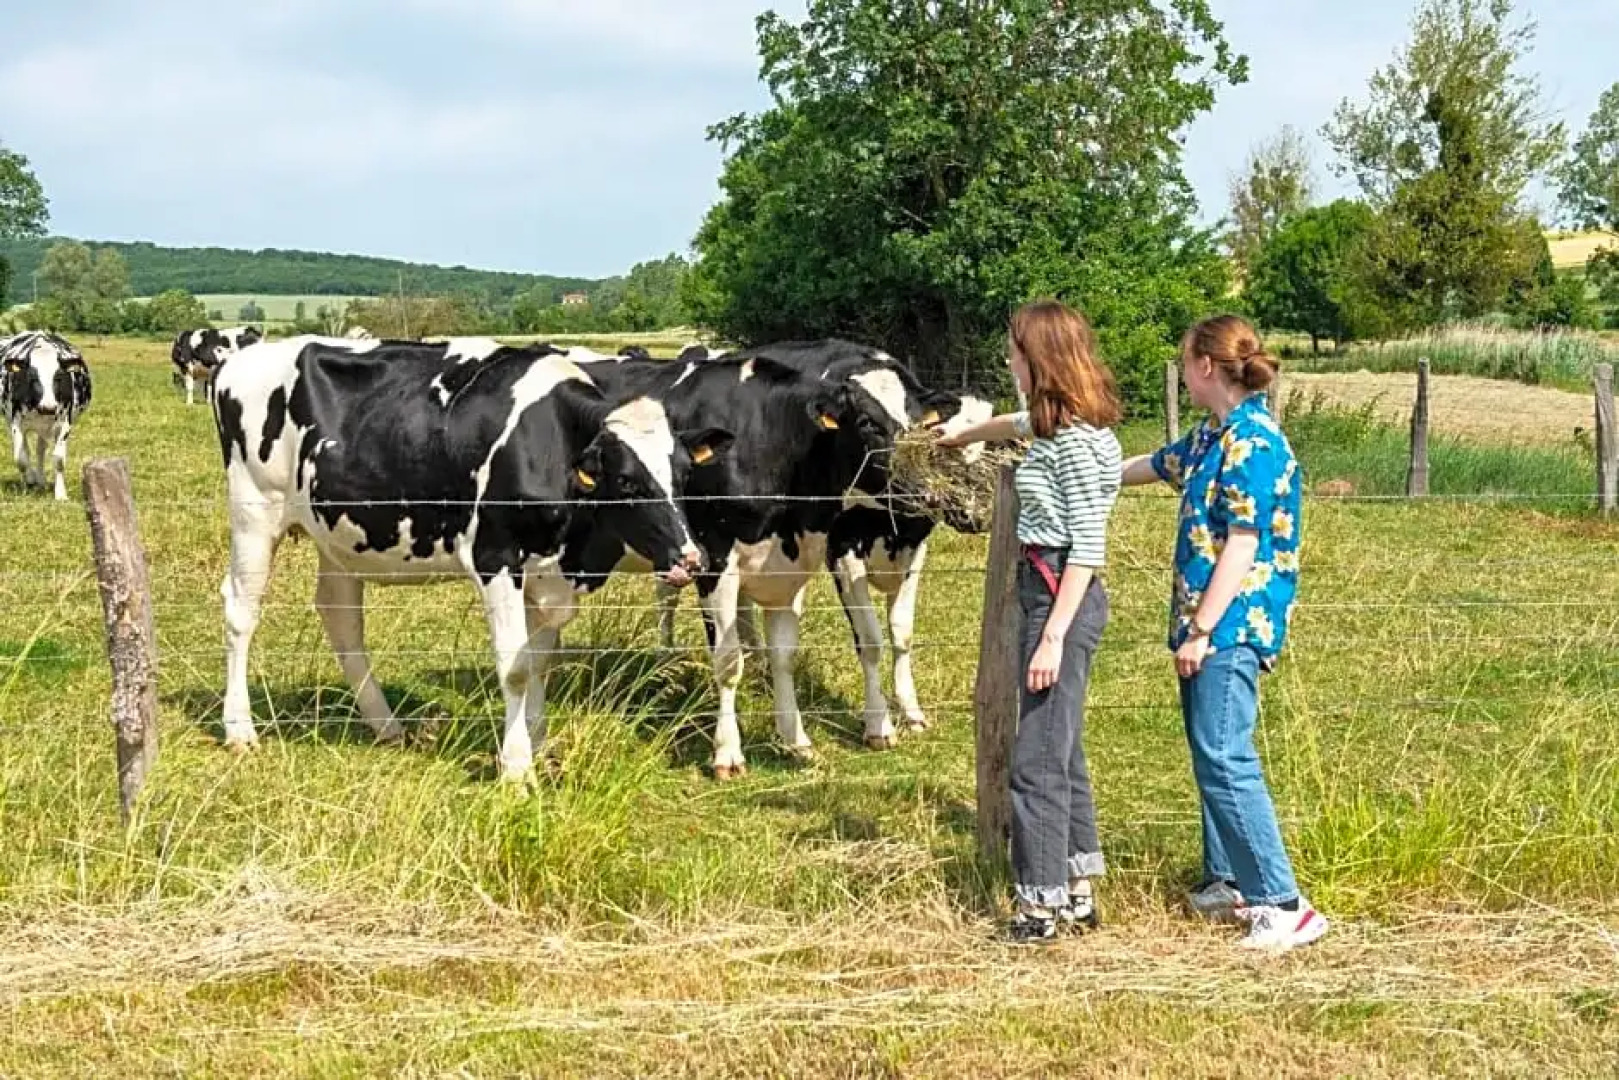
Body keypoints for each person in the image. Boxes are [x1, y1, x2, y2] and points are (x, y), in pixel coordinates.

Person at [1119, 314, 1327, 952]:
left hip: (1230, 626)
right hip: (1203, 625)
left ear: (1206, 367)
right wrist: (1086, 472)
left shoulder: (1252, 443)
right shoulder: (1214, 436)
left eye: (1185, 363)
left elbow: (1242, 544)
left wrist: (1203, 629)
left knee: (1226, 755)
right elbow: (1152, 465)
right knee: (1212, 753)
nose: (1182, 375)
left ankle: (1282, 903)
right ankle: (1229, 883)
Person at [939, 300, 1122, 944]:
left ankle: (1037, 904)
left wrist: (1050, 635)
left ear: (1039, 360)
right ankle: (1076, 886)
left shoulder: (1071, 445)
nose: (1007, 360)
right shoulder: (1063, 425)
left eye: (1015, 352)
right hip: (1053, 594)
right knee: (1061, 750)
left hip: (1059, 598)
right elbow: (1010, 423)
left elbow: (1089, 548)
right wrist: (962, 437)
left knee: (1035, 762)